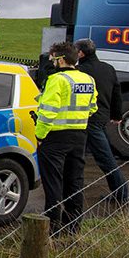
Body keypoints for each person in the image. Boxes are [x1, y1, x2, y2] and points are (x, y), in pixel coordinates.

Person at [35, 41, 98, 234]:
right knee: (75, 180)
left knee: (53, 183)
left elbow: (48, 112)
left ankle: (52, 227)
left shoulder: (57, 80)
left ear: (61, 59)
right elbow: (92, 107)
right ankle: (73, 225)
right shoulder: (88, 79)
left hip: (55, 137)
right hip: (79, 136)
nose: (52, 61)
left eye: (53, 57)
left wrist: (40, 135)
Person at [75, 39, 128, 203]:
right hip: (102, 117)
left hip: (88, 119)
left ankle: (121, 193)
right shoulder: (108, 68)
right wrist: (116, 115)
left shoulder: (80, 71)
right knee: (103, 155)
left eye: (76, 50)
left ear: (81, 53)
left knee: (104, 158)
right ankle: (119, 192)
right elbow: (117, 93)